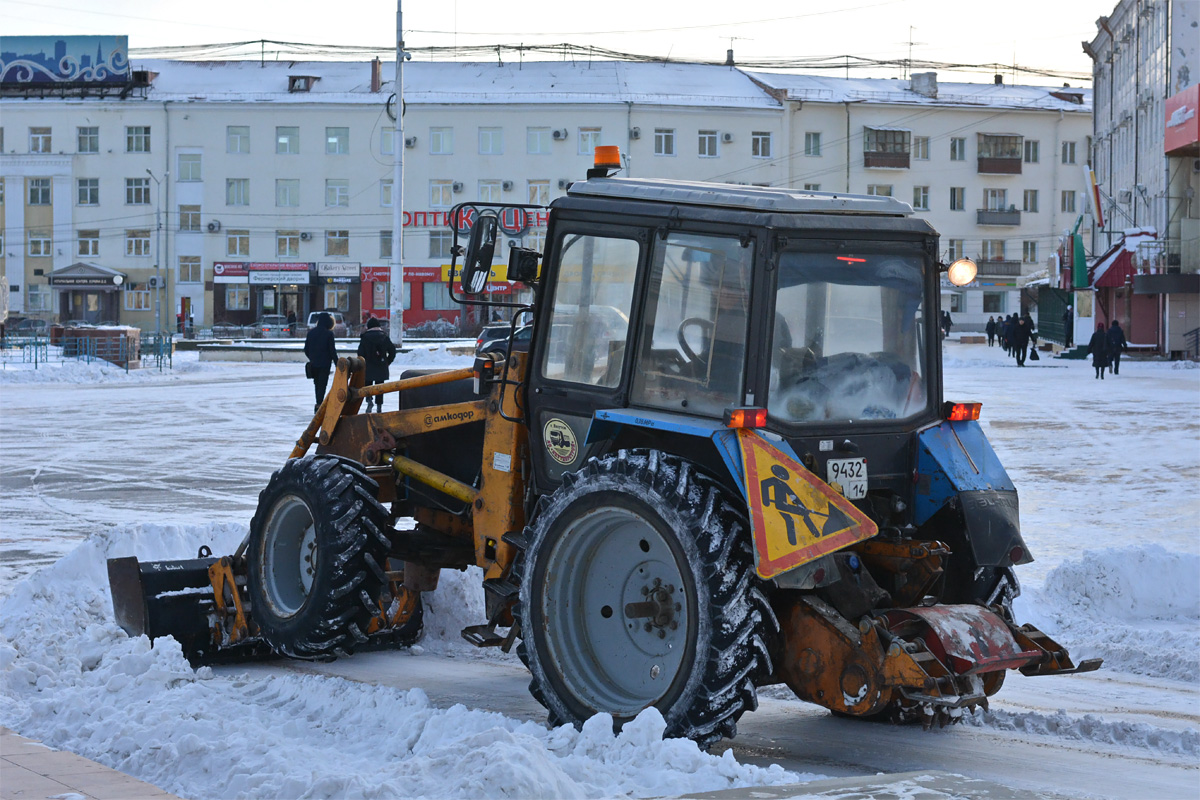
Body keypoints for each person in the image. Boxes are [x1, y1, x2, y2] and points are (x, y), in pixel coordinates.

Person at [356, 317, 396, 412]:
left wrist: (363, 363)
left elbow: (360, 353)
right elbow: (392, 351)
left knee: (368, 384)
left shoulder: (365, 338)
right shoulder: (384, 337)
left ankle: (369, 400)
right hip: (381, 366)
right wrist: (387, 362)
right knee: (380, 387)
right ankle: (379, 406)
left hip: (368, 367)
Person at [304, 312, 338, 412]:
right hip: (325, 363)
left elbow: (306, 349)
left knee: (317, 384)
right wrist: (337, 363)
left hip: (314, 363)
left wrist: (312, 358)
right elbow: (332, 350)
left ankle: (318, 403)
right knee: (323, 384)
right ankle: (319, 405)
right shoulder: (329, 334)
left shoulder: (311, 333)